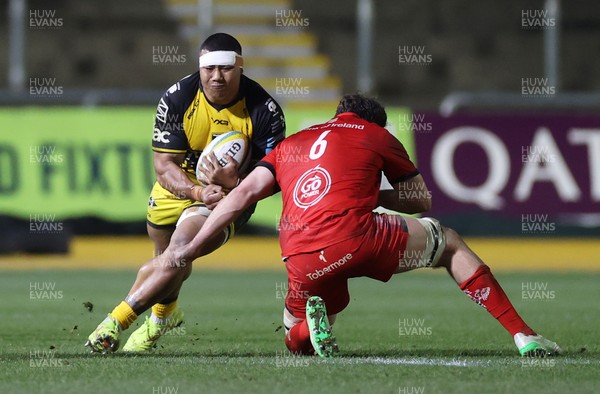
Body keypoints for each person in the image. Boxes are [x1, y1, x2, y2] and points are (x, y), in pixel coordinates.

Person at [128, 94, 559, 358]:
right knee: (448, 243)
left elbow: (241, 196)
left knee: (298, 337)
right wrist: (371, 194)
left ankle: (305, 329)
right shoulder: (376, 135)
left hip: (298, 252)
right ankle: (524, 336)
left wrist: (191, 247)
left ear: (337, 114)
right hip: (360, 236)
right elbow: (420, 200)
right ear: (374, 122)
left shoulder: (292, 143)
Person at [84, 32, 285, 353]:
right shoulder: (178, 98)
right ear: (200, 68)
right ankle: (167, 313)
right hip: (179, 184)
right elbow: (164, 166)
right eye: (209, 68)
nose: (216, 76)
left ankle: (117, 323)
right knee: (164, 260)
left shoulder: (264, 111)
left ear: (241, 67)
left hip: (230, 196)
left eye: (226, 68)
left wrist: (232, 183)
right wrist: (196, 190)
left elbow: (271, 180)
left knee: (178, 252)